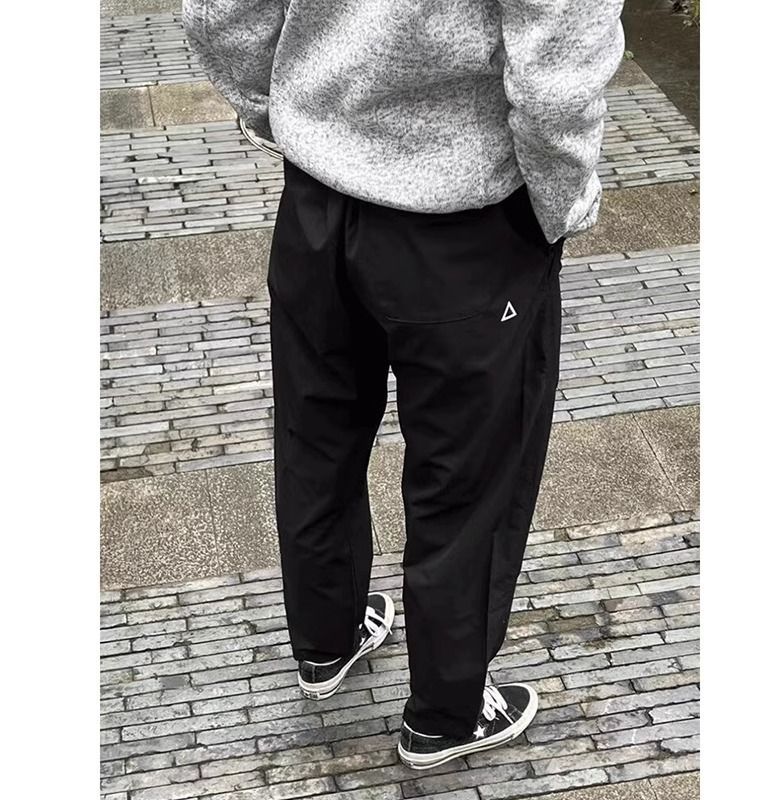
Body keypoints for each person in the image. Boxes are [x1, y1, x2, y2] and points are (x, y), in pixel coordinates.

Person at [184, 0, 624, 769]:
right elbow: (557, 62)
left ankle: (326, 642)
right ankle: (447, 714)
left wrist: (286, 115)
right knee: (468, 482)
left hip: (319, 197)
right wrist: (560, 203)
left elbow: (222, 10)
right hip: (467, 219)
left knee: (316, 436)